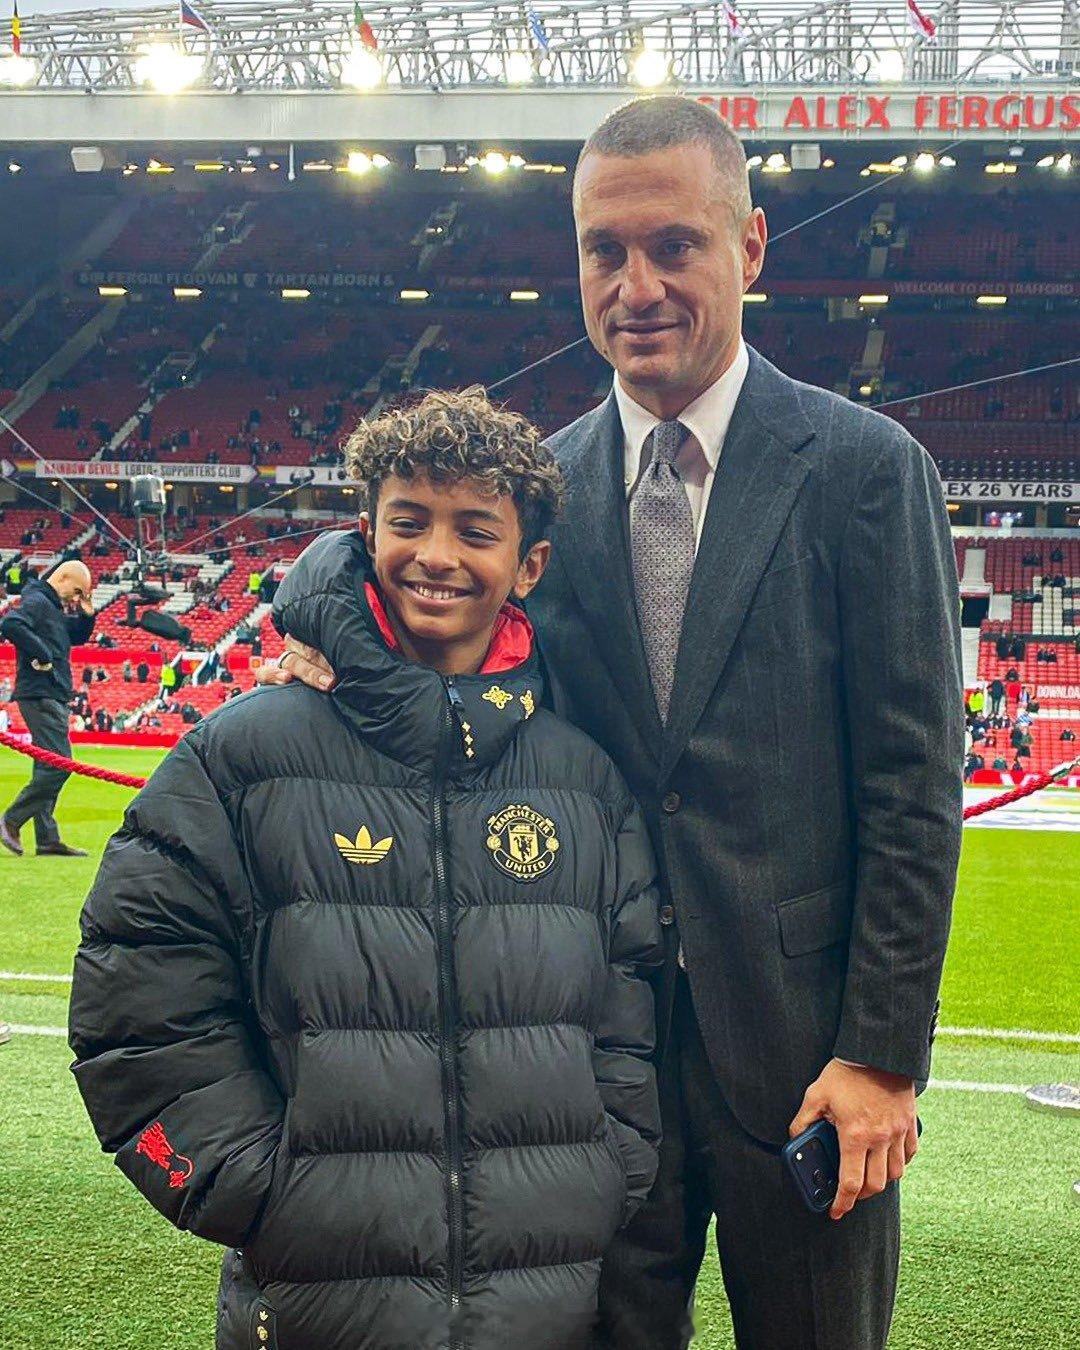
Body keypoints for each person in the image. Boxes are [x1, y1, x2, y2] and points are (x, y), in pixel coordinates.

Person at [262, 98, 963, 1350]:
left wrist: (883, 1056)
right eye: (604, 250)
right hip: (586, 1058)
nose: (636, 287)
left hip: (804, 1056)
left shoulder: (866, 468)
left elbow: (914, 785)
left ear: (750, 246)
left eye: (674, 246)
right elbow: (400, 558)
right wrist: (317, 611)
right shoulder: (539, 486)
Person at [69, 389, 663, 1350]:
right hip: (318, 1300)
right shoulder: (240, 756)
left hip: (543, 1304)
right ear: (367, 530)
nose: (437, 554)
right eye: (409, 521)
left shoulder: (583, 779)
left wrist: (607, 1167)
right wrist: (262, 1189)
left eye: (476, 530)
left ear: (529, 566)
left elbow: (628, 1007)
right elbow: (136, 1001)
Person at [0, 560, 94, 856]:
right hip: (41, 693)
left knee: (47, 764)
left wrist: (87, 613)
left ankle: (47, 838)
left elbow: (75, 636)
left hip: (49, 693)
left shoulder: (51, 608)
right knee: (59, 765)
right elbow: (10, 624)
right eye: (77, 591)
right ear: (63, 577)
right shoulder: (39, 602)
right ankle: (11, 820)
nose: (76, 599)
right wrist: (42, 653)